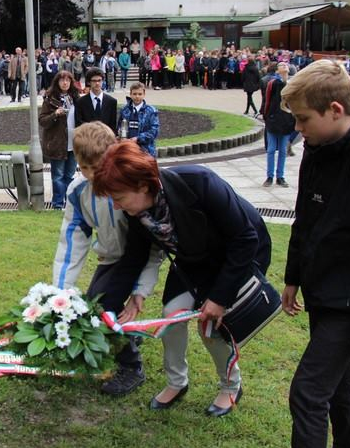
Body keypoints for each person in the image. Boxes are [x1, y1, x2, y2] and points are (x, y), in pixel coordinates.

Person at [93, 141, 271, 417]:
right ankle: (177, 382)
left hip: (237, 257)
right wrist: (106, 306)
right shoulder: (136, 212)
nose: (115, 205)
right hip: (194, 261)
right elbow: (133, 259)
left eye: (119, 196)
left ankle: (230, 387)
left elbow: (245, 239)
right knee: (169, 315)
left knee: (210, 326)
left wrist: (220, 298)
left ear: (142, 185)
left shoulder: (200, 182)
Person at [280, 59, 350, 448]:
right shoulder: (318, 146)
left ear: (336, 110)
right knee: (340, 388)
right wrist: (293, 275)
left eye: (303, 119)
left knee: (308, 394)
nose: (297, 129)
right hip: (322, 294)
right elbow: (305, 218)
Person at [53, 121, 157, 395]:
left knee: (103, 306)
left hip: (138, 257)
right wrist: (59, 292)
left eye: (97, 169)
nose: (91, 176)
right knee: (92, 306)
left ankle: (131, 366)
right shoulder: (78, 192)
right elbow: (72, 241)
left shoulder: (131, 185)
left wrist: (140, 290)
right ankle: (129, 333)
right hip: (110, 258)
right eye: (85, 168)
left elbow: (154, 244)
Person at [39, 71, 80, 209]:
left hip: (73, 144)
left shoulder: (76, 98)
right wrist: (55, 114)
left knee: (69, 175)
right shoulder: (50, 99)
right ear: (57, 82)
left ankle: (69, 203)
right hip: (57, 144)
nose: (65, 83)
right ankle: (57, 204)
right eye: (62, 80)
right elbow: (42, 121)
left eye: (68, 80)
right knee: (58, 176)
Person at [261, 62, 294, 187]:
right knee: (270, 150)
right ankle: (269, 176)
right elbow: (268, 99)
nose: (285, 65)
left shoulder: (291, 84)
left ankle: (280, 177)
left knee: (282, 151)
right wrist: (266, 115)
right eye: (281, 65)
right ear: (277, 70)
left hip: (286, 121)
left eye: (286, 64)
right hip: (273, 120)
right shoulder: (273, 83)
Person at [116, 82, 159, 156]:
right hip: (128, 150)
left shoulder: (151, 110)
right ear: (130, 94)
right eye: (134, 94)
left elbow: (154, 132)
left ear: (144, 94)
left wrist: (137, 139)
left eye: (140, 94)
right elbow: (119, 127)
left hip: (146, 151)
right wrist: (120, 135)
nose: (137, 96)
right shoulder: (124, 109)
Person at [75, 67, 118, 133]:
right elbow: (79, 124)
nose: (97, 83)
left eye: (99, 80)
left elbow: (113, 125)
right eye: (94, 81)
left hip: (106, 139)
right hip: (87, 139)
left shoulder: (112, 102)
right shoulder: (80, 102)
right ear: (89, 82)